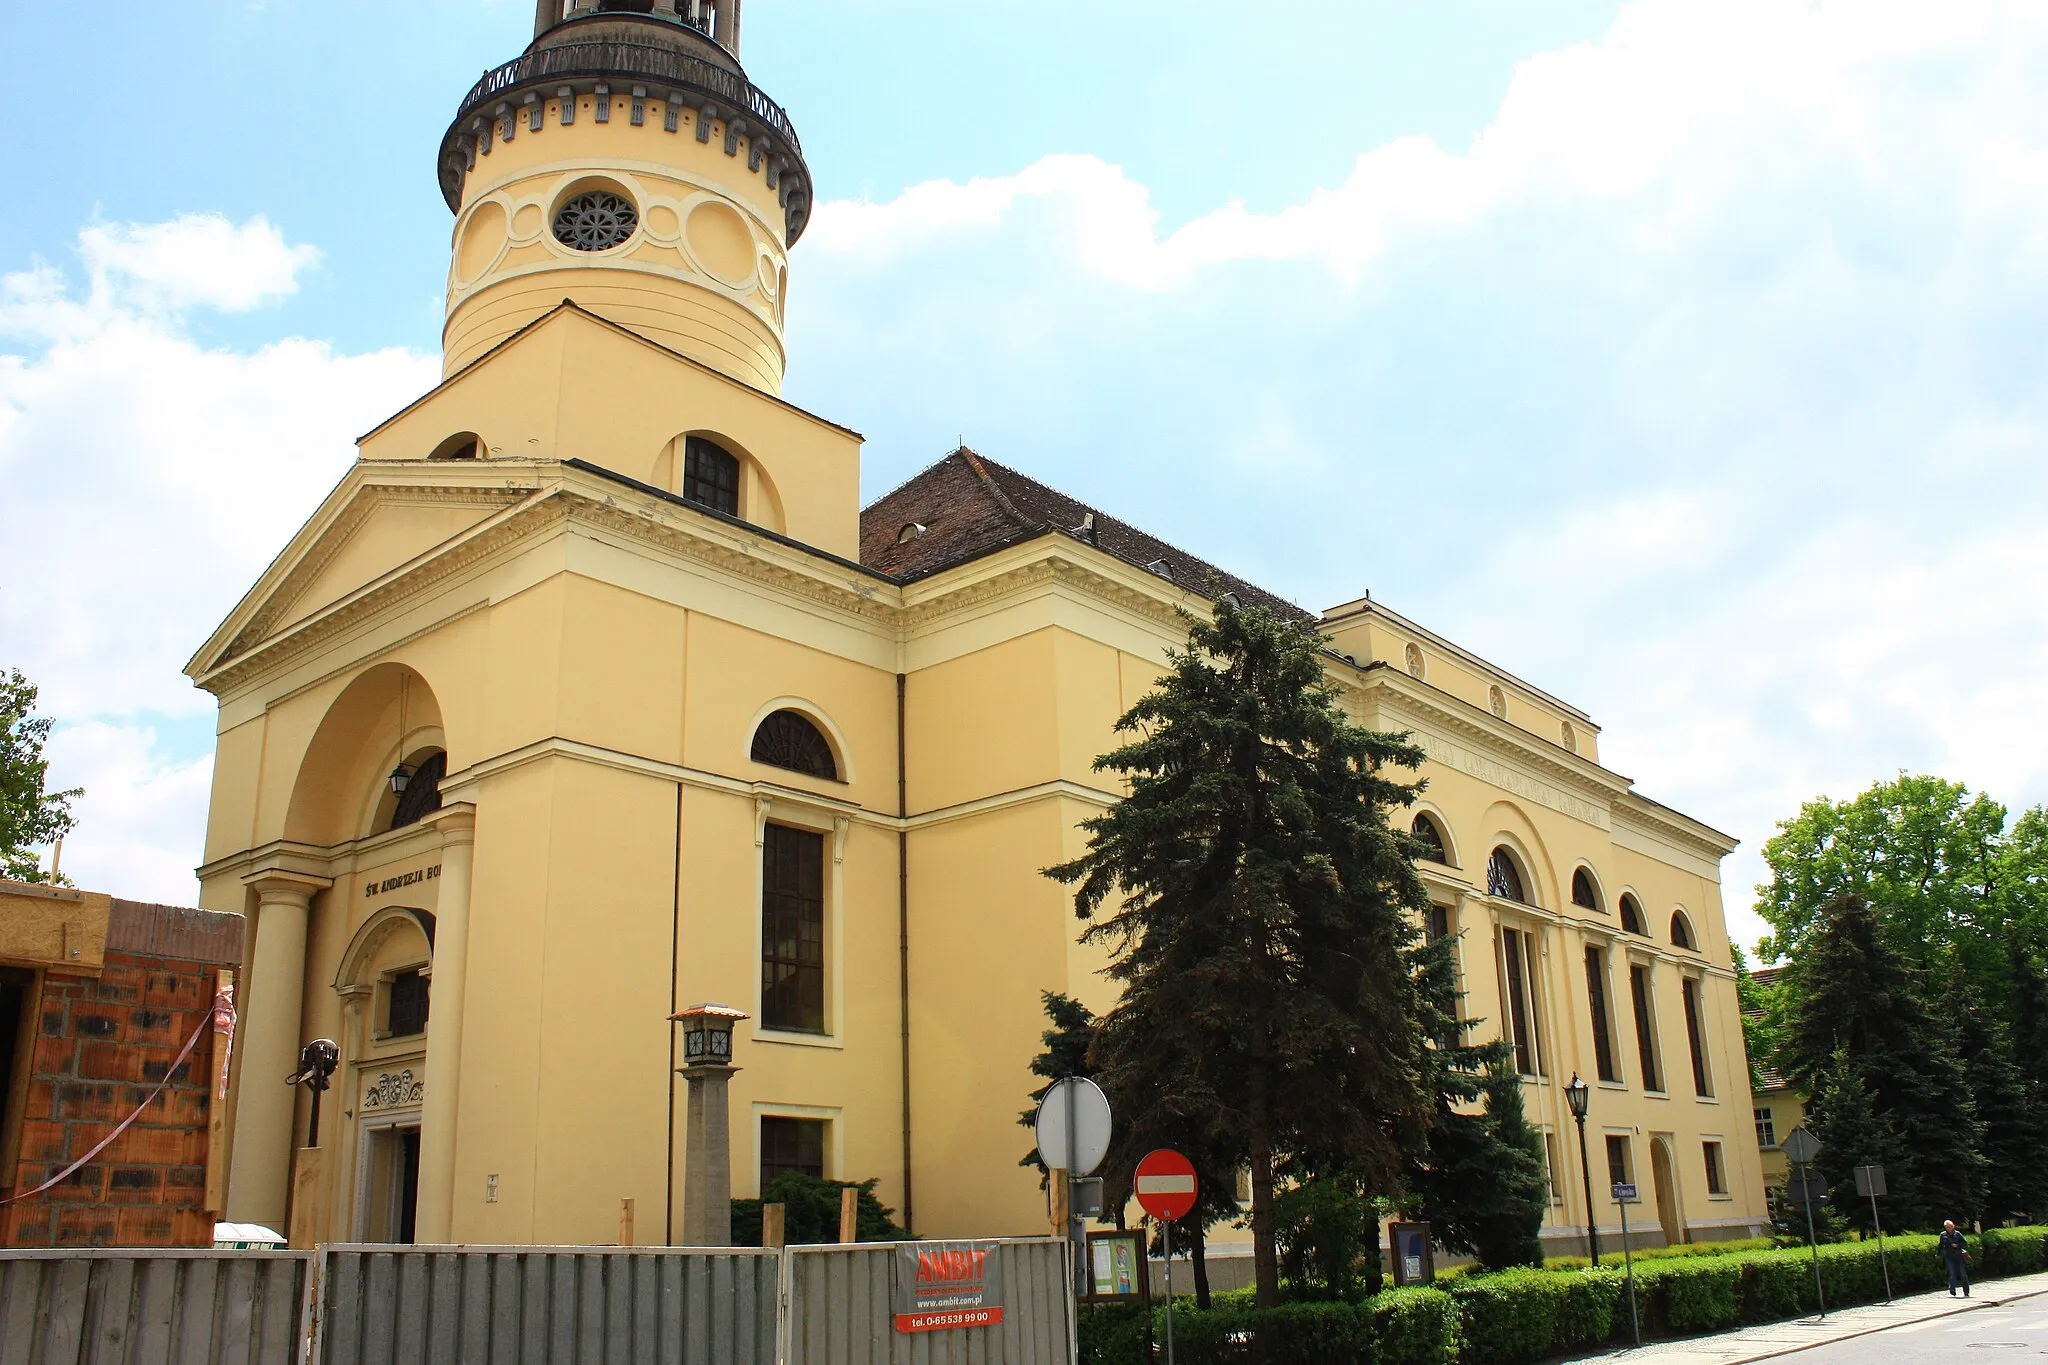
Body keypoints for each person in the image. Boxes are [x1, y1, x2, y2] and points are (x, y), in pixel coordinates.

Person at [1939, 1220, 1971, 1297]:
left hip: (1958, 1256)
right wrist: (1938, 1254)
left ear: (1952, 1226)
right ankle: (1952, 1289)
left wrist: (1957, 1245)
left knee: (1962, 1274)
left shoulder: (1957, 1234)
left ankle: (1966, 1291)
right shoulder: (1943, 1235)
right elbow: (1940, 1245)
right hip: (1949, 1256)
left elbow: (1964, 1242)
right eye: (1946, 1227)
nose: (1948, 1228)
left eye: (1949, 1227)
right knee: (1952, 1272)